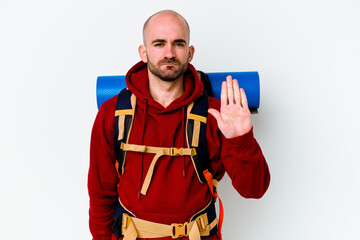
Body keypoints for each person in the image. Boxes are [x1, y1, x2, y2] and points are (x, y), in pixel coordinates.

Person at [88, 9, 270, 240]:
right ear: (143, 52)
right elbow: (100, 195)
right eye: (159, 43)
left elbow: (254, 190)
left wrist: (242, 139)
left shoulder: (217, 114)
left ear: (190, 53)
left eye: (178, 43)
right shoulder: (112, 113)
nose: (169, 53)